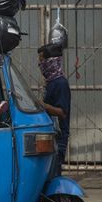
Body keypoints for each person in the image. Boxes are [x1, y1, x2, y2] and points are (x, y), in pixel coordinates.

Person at [38, 43, 71, 177]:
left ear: (51, 61)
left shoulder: (60, 83)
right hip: (49, 136)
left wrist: (42, 105)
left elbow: (62, 113)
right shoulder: (51, 82)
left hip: (58, 138)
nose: (40, 64)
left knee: (53, 176)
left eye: (42, 60)